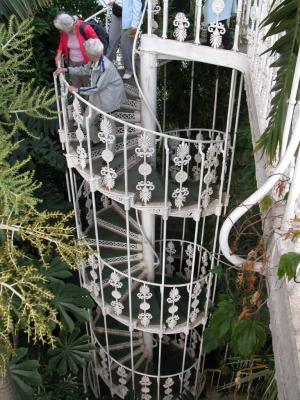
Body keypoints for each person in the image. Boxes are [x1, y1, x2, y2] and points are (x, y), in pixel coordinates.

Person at [54, 38, 126, 143]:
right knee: (85, 123)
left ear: (91, 54)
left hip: (109, 100)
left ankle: (111, 152)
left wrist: (77, 90)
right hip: (96, 98)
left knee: (109, 128)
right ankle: (96, 140)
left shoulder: (106, 67)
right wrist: (66, 69)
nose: (84, 52)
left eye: (85, 51)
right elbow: (84, 70)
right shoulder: (94, 61)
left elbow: (96, 88)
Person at [54, 13, 99, 87]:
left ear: (67, 27)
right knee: (76, 84)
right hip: (72, 62)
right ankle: (77, 97)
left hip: (86, 62)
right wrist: (58, 54)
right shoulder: (64, 32)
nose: (60, 32)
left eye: (61, 30)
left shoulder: (85, 28)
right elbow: (62, 41)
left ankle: (88, 98)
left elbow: (97, 43)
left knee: (87, 84)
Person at [106, 0, 142, 80]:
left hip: (130, 18)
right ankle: (106, 67)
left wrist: (135, 24)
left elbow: (137, 4)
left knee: (126, 45)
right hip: (117, 13)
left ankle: (129, 70)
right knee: (112, 41)